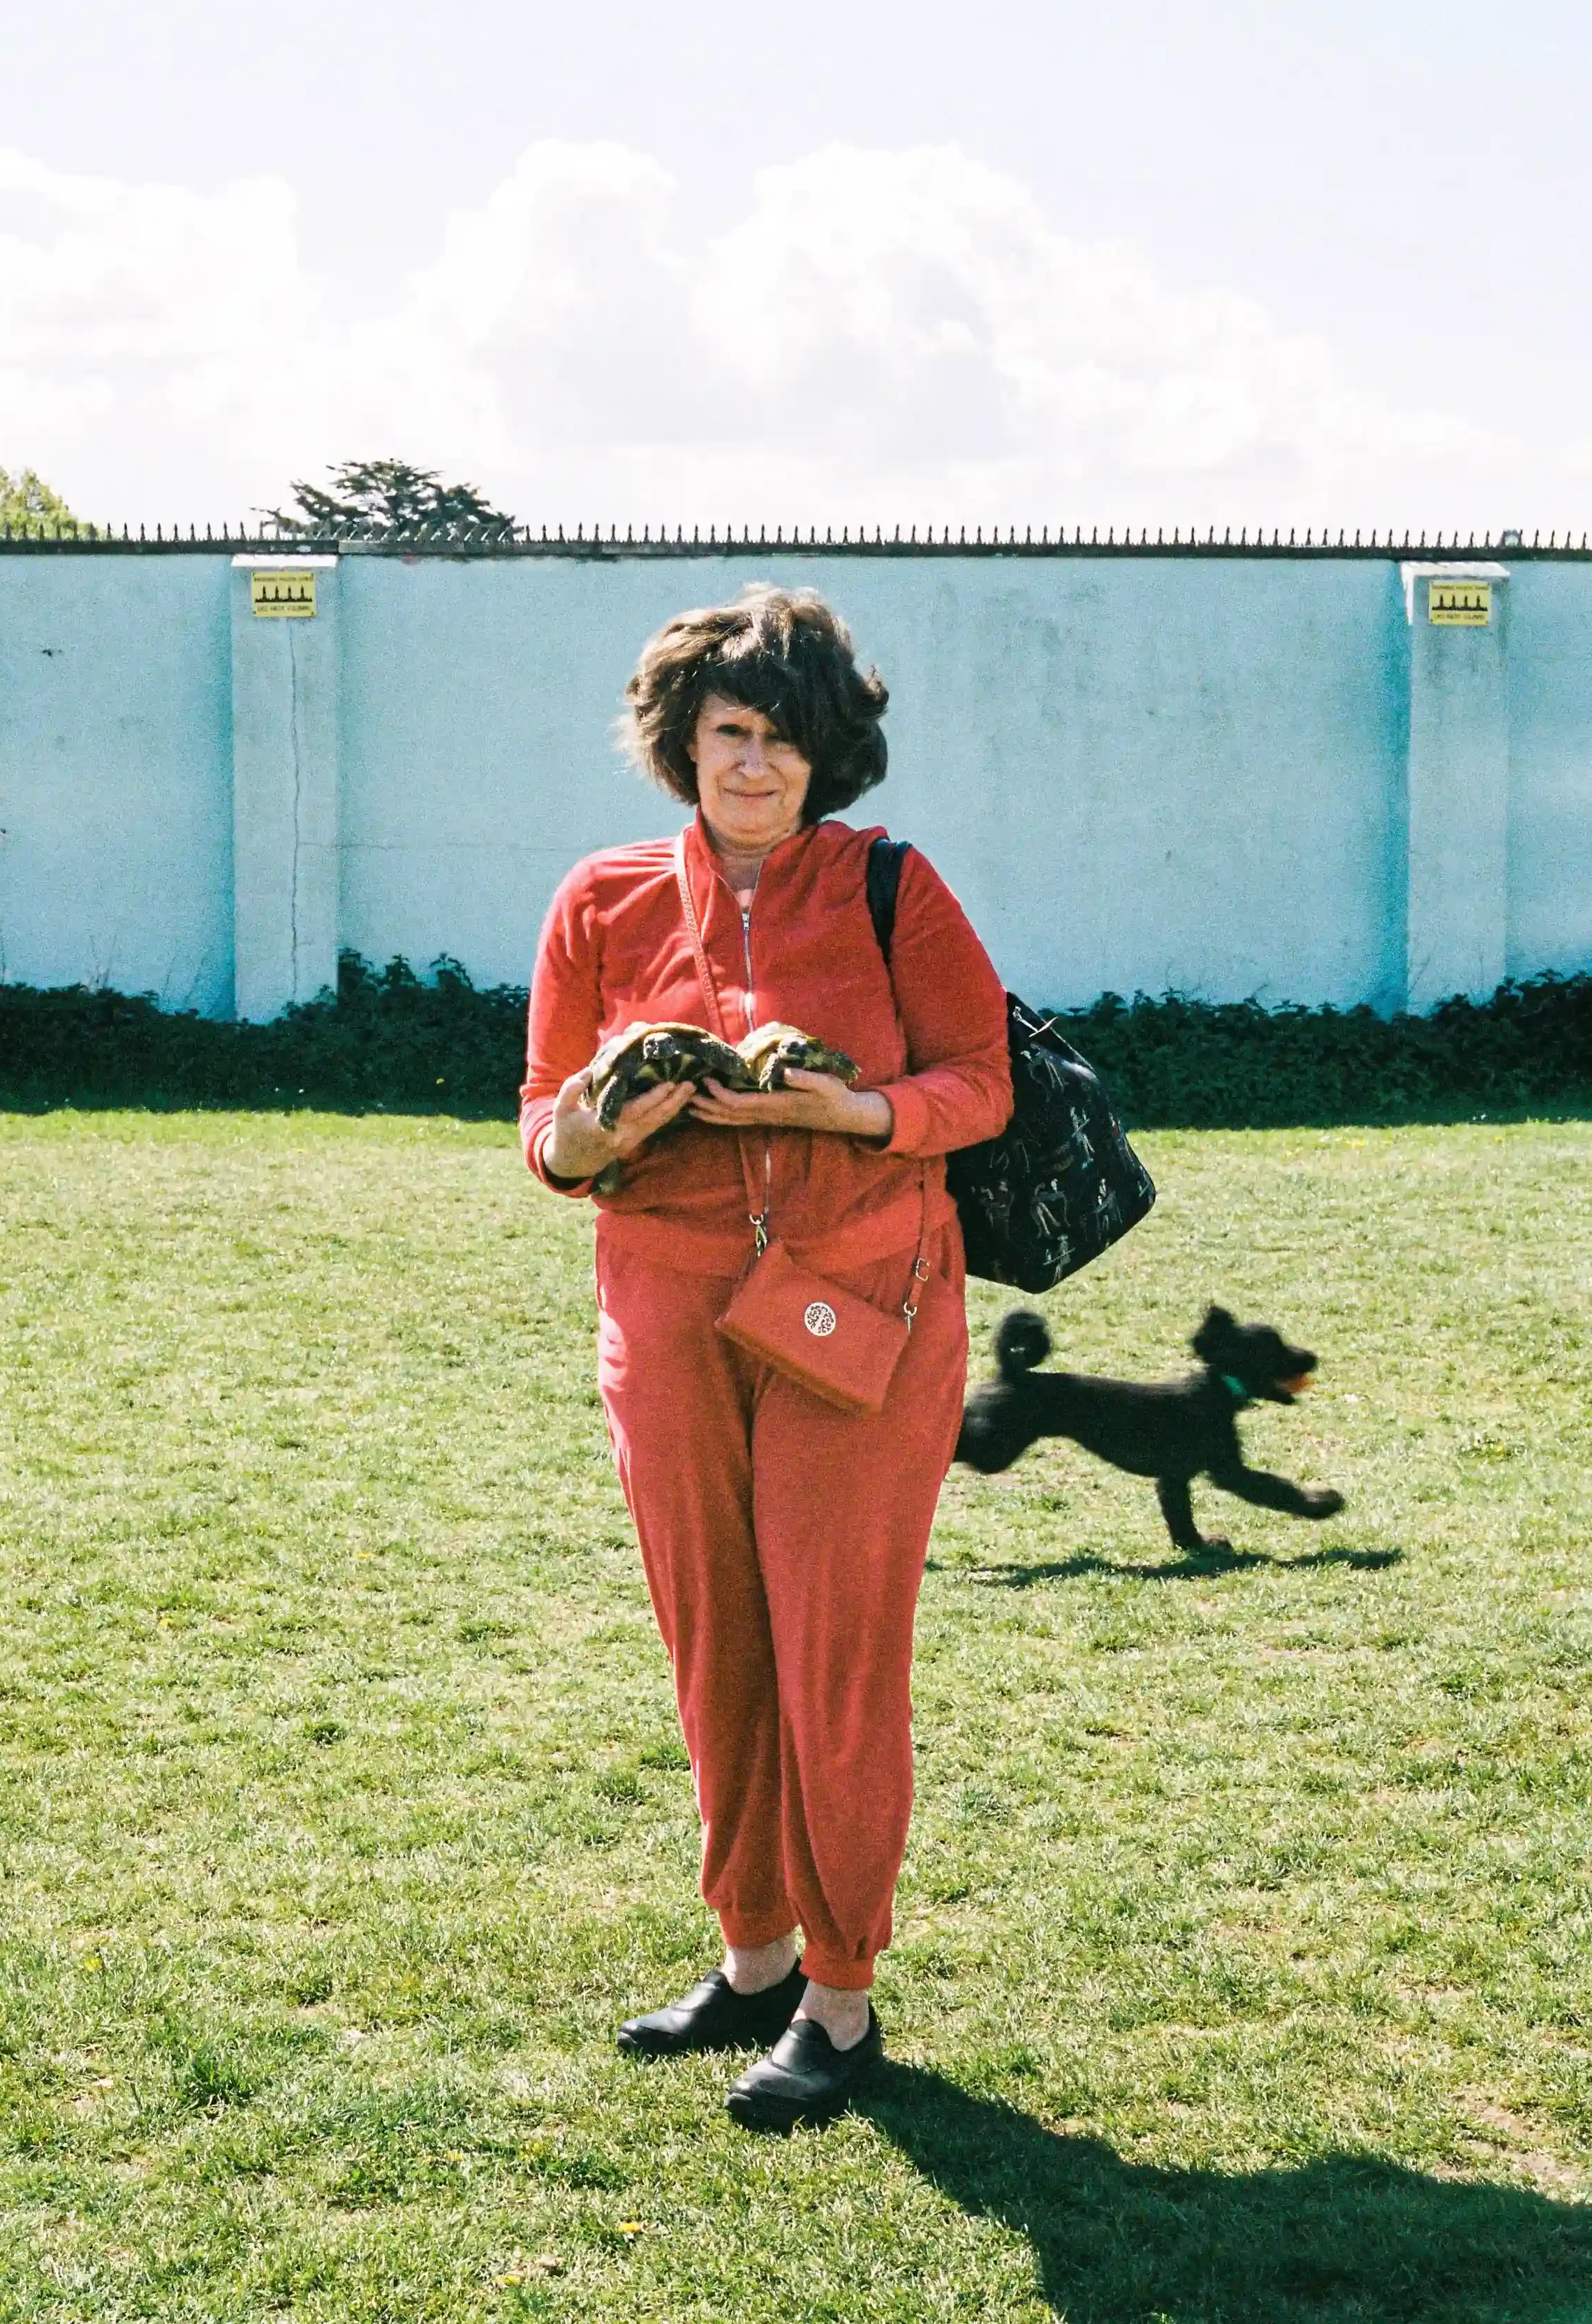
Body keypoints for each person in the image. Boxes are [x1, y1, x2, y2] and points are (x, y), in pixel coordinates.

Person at [519, 584, 1011, 2131]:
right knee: (715, 1643)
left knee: (835, 1654)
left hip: (862, 1309)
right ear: (685, 740)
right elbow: (544, 1129)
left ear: (830, 756)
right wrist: (616, 1118)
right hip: (665, 1320)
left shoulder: (892, 887)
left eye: (789, 741)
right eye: (733, 732)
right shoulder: (600, 900)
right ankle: (751, 1954)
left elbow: (979, 1082)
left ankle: (843, 1992)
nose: (758, 766)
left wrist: (848, 1112)